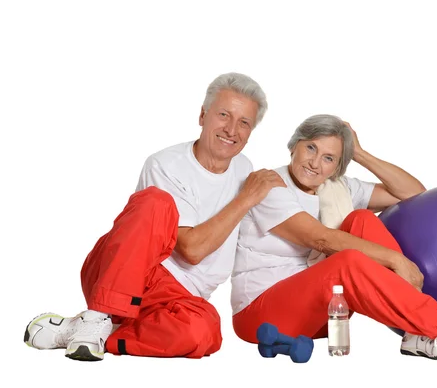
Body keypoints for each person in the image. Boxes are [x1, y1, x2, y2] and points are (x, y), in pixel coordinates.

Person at [24, 72, 286, 361]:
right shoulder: (165, 164)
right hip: (127, 274)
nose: (232, 129)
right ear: (202, 115)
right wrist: (246, 197)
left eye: (244, 123)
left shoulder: (243, 168)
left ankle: (90, 332)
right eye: (224, 115)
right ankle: (100, 313)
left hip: (179, 300)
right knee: (155, 202)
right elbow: (192, 250)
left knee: (205, 332)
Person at [230, 114, 437, 364]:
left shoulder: (337, 187)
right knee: (345, 261)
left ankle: (414, 333)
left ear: (337, 166)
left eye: (329, 158)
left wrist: (359, 153)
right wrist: (396, 260)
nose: (315, 163)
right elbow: (321, 239)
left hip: (323, 318)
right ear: (294, 145)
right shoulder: (269, 186)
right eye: (310, 148)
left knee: (361, 220)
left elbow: (413, 194)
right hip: (261, 316)